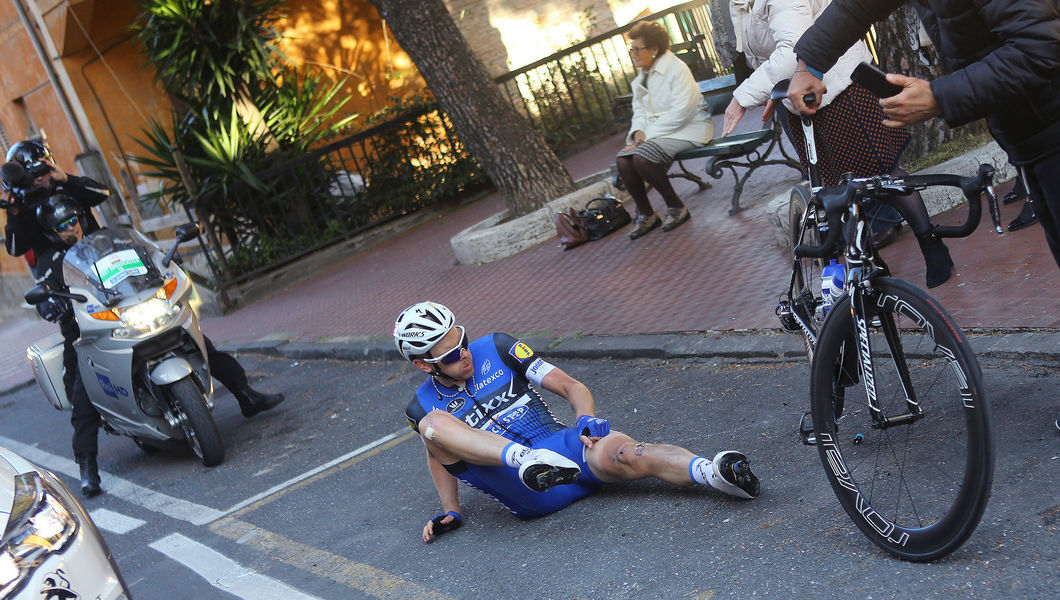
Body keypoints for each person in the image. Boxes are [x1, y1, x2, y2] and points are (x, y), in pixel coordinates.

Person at [394, 301, 760, 542]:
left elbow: (571, 386)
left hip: (564, 452)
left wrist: (585, 420)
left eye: (463, 341)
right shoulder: (422, 406)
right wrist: (451, 512)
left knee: (626, 451)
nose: (466, 354)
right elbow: (437, 455)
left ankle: (713, 475)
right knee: (433, 427)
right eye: (452, 355)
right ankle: (525, 460)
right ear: (424, 365)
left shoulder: (499, 347)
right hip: (521, 485)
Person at [34, 194, 286, 497]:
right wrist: (50, 306)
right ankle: (87, 466)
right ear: (52, 231)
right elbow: (45, 298)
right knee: (83, 395)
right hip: (88, 332)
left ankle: (246, 396)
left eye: (73, 220)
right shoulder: (50, 263)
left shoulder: (105, 241)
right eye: (62, 226)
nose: (70, 228)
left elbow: (142, 257)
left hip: (133, 311)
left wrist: (163, 264)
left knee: (201, 345)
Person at [787, 0, 1060, 271]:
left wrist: (938, 96)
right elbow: (857, 7)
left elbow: (1039, 50)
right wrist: (809, 63)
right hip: (1031, 136)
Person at [719, 0, 954, 287]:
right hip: (802, 100)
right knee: (836, 192)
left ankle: (931, 244)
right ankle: (871, 272)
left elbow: (793, 51)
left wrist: (743, 97)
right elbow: (763, 53)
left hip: (841, 91)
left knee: (882, 176)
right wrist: (772, 89)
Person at [617, 21, 714, 239]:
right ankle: (646, 214)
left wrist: (647, 137)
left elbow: (682, 112)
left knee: (642, 157)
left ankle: (677, 207)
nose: (632, 53)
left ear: (654, 49)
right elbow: (639, 112)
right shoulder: (641, 77)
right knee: (623, 159)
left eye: (636, 48)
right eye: (630, 49)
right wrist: (638, 133)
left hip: (690, 129)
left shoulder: (676, 68)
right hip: (660, 133)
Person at [2, 140, 109, 275]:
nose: (40, 178)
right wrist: (14, 214)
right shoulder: (22, 207)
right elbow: (15, 249)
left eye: (42, 170)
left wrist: (67, 179)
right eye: (33, 175)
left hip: (98, 257)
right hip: (62, 275)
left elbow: (103, 193)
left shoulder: (66, 186)